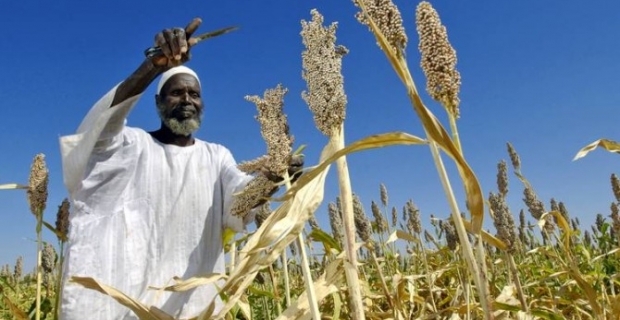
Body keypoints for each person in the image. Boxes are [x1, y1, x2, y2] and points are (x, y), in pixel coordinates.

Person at [59, 19, 300, 319]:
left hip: (195, 307)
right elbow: (98, 132)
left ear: (202, 104)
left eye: (194, 94)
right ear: (158, 102)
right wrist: (154, 66)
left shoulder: (216, 156)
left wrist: (271, 179)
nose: (187, 99)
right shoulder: (131, 146)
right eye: (176, 93)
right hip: (130, 309)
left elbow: (239, 200)